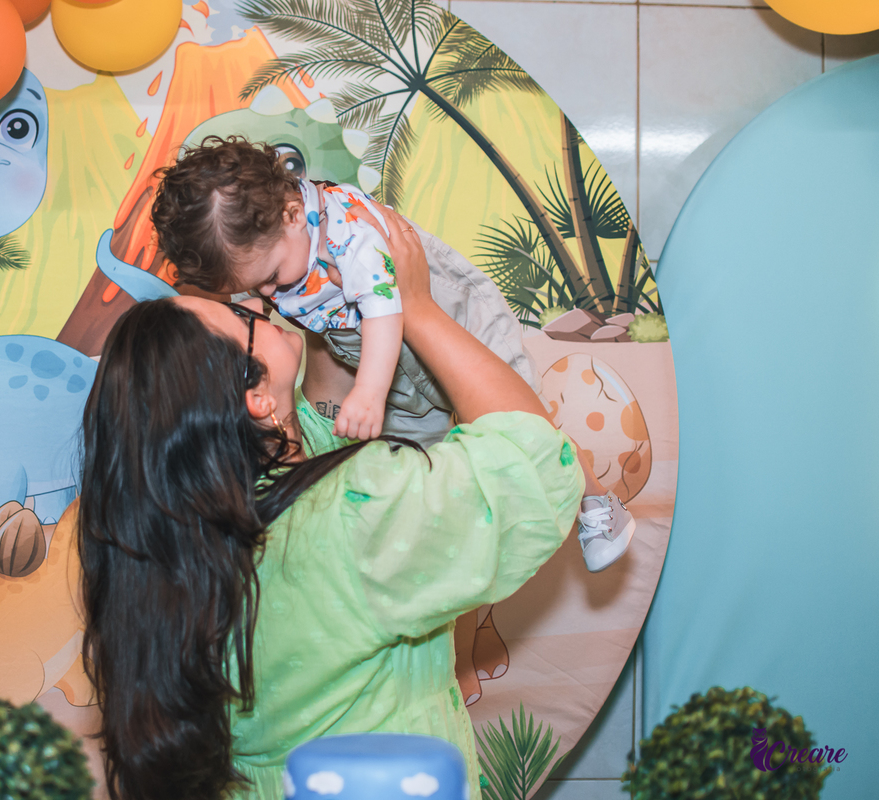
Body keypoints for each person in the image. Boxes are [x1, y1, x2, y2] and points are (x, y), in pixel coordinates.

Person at [77, 204, 584, 800]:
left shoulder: (176, 546)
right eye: (243, 313)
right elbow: (534, 461)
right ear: (255, 398)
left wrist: (335, 295)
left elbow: (322, 420)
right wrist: (414, 308)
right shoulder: (352, 513)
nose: (261, 303)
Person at [151, 136, 633, 573]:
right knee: (418, 454)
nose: (271, 293)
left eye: (274, 276)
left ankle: (597, 505)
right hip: (377, 358)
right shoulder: (268, 249)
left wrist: (369, 391)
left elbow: (387, 307)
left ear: (294, 213)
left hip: (447, 315)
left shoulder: (347, 232)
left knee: (523, 423)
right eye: (255, 288)